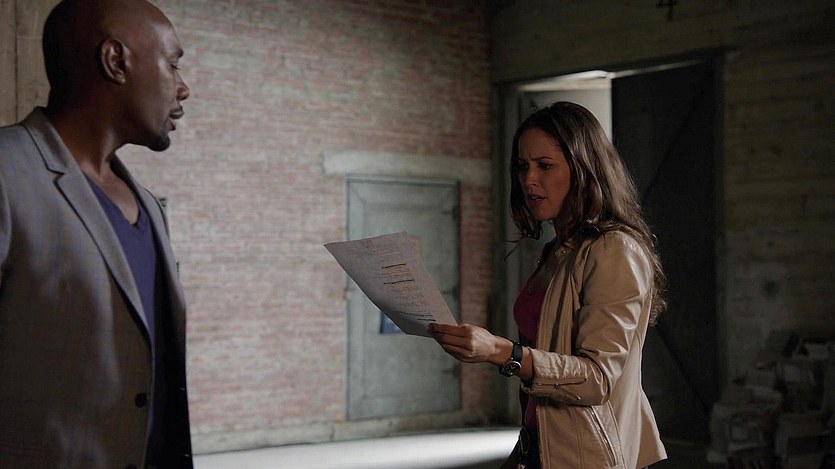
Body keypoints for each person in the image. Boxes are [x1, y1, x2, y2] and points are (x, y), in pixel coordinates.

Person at [0, 0, 192, 467]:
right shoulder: (7, 172)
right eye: (172, 64)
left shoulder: (148, 204)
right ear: (115, 61)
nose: (183, 88)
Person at [429, 102, 668, 468]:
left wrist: (502, 352)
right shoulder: (557, 251)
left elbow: (597, 379)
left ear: (583, 169)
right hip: (540, 445)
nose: (529, 180)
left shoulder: (613, 249)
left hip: (588, 457)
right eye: (522, 166)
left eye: (545, 165)